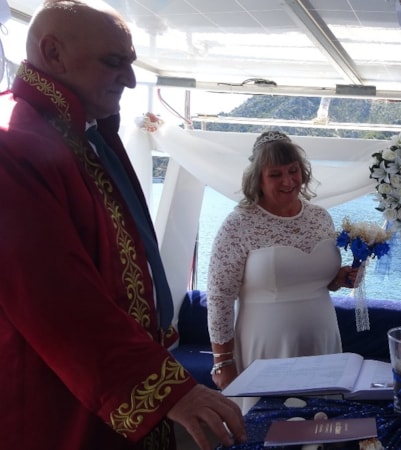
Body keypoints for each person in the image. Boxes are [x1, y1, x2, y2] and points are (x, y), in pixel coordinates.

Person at [0, 1, 246, 449]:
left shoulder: (89, 137)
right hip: (58, 399)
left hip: (106, 384)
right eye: (114, 62)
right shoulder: (11, 146)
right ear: (53, 53)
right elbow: (53, 292)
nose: (131, 80)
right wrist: (163, 387)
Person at [206, 131, 357, 409]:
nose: (288, 181)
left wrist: (339, 278)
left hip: (322, 340)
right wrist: (223, 362)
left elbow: (320, 281)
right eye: (275, 174)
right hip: (265, 346)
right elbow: (219, 297)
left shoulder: (320, 217)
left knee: (321, 422)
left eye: (293, 170)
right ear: (258, 179)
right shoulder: (238, 224)